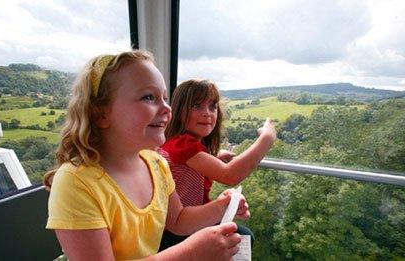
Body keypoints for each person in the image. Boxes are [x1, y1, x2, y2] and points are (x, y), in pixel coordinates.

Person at [44, 50, 250, 260]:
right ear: (101, 114)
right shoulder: (76, 182)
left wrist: (221, 205)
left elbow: (178, 220)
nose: (167, 108)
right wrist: (190, 254)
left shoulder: (156, 164)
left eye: (165, 98)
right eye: (149, 97)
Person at [159, 79, 277, 250]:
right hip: (176, 232)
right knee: (244, 237)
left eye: (212, 107)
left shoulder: (182, 144)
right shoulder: (182, 144)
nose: (207, 113)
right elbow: (230, 175)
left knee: (243, 237)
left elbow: (187, 165)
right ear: (179, 111)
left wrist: (216, 157)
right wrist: (267, 138)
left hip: (185, 225)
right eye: (197, 106)